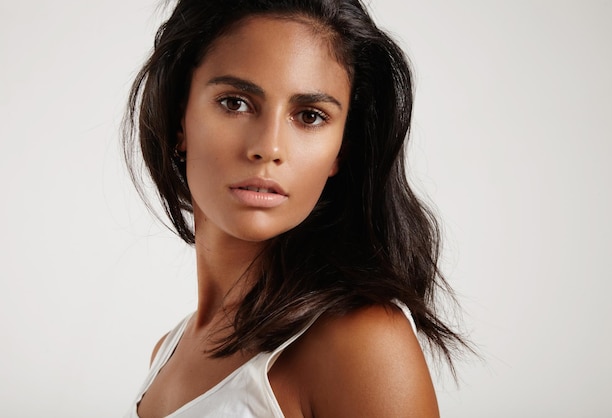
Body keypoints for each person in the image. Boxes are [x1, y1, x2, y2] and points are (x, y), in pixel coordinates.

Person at [123, 0, 467, 416]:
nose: (268, 148)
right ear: (180, 120)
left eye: (309, 115)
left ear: (342, 148)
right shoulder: (168, 349)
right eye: (235, 103)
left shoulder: (363, 342)